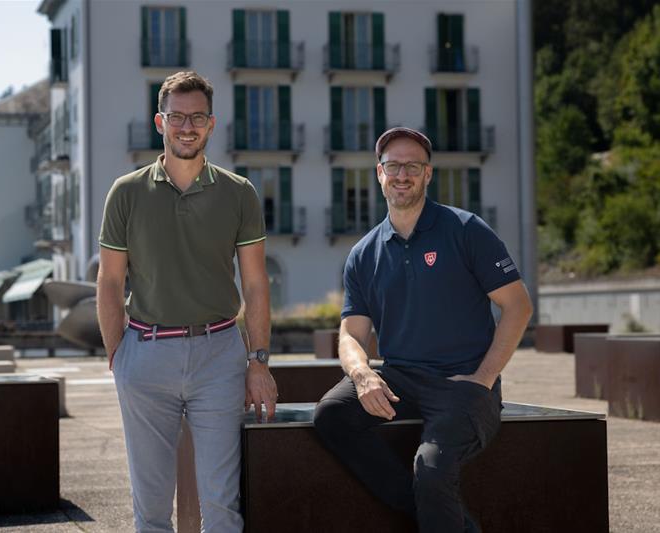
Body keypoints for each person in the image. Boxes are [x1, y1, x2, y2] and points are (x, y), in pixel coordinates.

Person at [313, 127, 533, 532]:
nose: (402, 175)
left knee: (430, 469)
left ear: (428, 174)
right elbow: (351, 335)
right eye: (392, 166)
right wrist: (363, 375)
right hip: (401, 378)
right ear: (378, 174)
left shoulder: (466, 230)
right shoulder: (364, 253)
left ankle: (436, 508)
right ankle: (448, 521)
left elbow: (518, 307)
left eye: (412, 166)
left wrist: (483, 379)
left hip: (462, 383)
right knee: (330, 415)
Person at [96, 71, 277, 533]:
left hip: (219, 355)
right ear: (161, 121)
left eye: (197, 117)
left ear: (212, 125)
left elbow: (256, 285)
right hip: (145, 353)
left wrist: (258, 361)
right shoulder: (127, 192)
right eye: (177, 117)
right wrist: (120, 354)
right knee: (151, 507)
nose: (187, 126)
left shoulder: (240, 193)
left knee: (222, 503)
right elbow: (110, 280)